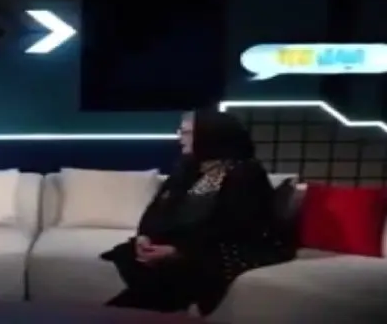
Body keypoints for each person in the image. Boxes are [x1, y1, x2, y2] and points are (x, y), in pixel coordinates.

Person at [101, 110, 295, 315]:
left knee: (182, 269)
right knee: (129, 254)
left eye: (186, 133)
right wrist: (145, 236)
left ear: (210, 136)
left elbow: (234, 226)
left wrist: (179, 250)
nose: (180, 139)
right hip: (183, 242)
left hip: (223, 246)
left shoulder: (244, 173)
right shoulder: (187, 168)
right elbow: (156, 209)